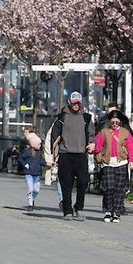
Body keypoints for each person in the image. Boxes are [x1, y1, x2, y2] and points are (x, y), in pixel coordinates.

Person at [50, 91, 94, 221]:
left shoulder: (87, 118)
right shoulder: (61, 117)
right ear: (69, 102)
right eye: (74, 103)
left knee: (83, 182)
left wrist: (92, 144)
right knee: (66, 184)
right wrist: (53, 154)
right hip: (65, 155)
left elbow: (92, 134)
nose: (76, 105)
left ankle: (78, 208)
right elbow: (54, 135)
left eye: (78, 103)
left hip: (81, 155)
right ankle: (67, 211)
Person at [93, 109, 133, 223]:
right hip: (108, 162)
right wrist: (92, 149)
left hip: (121, 163)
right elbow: (97, 145)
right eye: (112, 122)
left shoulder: (125, 132)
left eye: (116, 122)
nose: (114, 124)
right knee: (108, 188)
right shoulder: (103, 132)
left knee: (119, 189)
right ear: (109, 121)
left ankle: (116, 212)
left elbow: (132, 147)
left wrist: (132, 160)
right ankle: (108, 210)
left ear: (120, 122)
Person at [18, 128, 46, 209]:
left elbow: (40, 161)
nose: (40, 146)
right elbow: (20, 158)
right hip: (29, 173)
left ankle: (32, 198)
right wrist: (25, 164)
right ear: (34, 144)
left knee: (36, 189)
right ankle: (30, 203)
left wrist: (47, 164)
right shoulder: (27, 151)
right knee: (30, 187)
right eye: (39, 144)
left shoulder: (39, 153)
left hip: (36, 173)